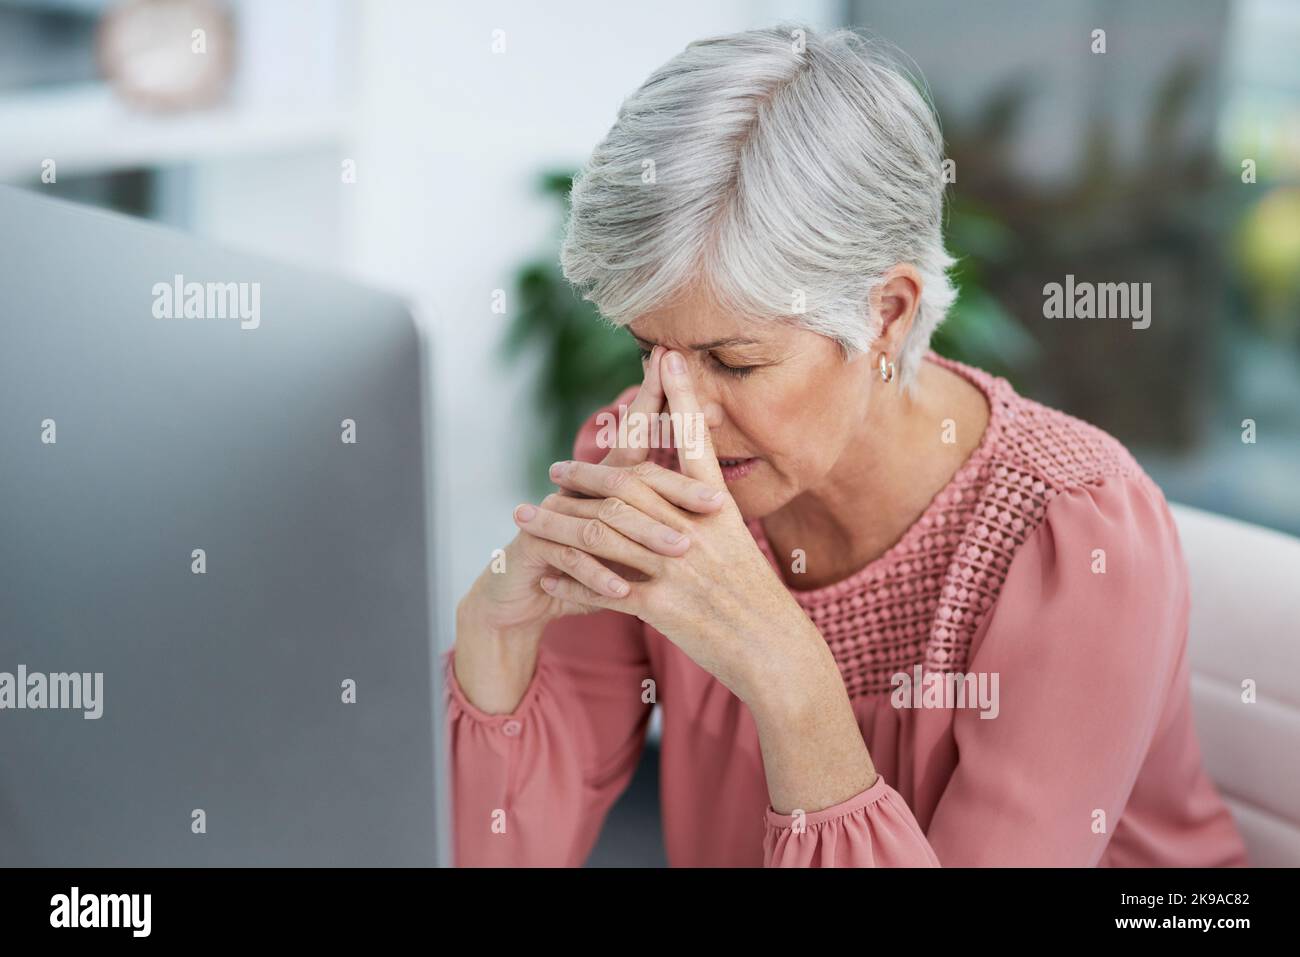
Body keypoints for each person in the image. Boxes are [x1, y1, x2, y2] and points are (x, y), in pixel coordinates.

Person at [447, 24, 1249, 867]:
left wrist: (790, 681)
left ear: (887, 314)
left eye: (733, 360)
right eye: (650, 349)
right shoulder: (646, 454)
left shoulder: (1071, 538)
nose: (678, 413)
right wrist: (492, 638)